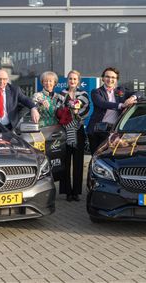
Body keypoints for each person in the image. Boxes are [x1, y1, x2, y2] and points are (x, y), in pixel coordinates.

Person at [56, 70, 91, 201]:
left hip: (78, 130)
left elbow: (86, 109)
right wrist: (63, 113)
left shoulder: (83, 94)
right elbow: (57, 110)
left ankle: (76, 192)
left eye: (75, 79)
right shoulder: (62, 94)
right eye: (70, 79)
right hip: (65, 131)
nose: (72, 81)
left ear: (78, 81)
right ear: (67, 80)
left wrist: (76, 113)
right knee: (65, 161)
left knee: (78, 162)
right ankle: (67, 192)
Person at [87, 67, 139, 153]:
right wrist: (121, 105)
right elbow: (102, 103)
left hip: (114, 131)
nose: (110, 79)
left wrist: (132, 98)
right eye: (107, 76)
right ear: (103, 78)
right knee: (96, 155)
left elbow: (139, 93)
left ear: (116, 80)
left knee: (112, 155)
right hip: (97, 130)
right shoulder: (96, 92)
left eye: (113, 77)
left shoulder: (121, 91)